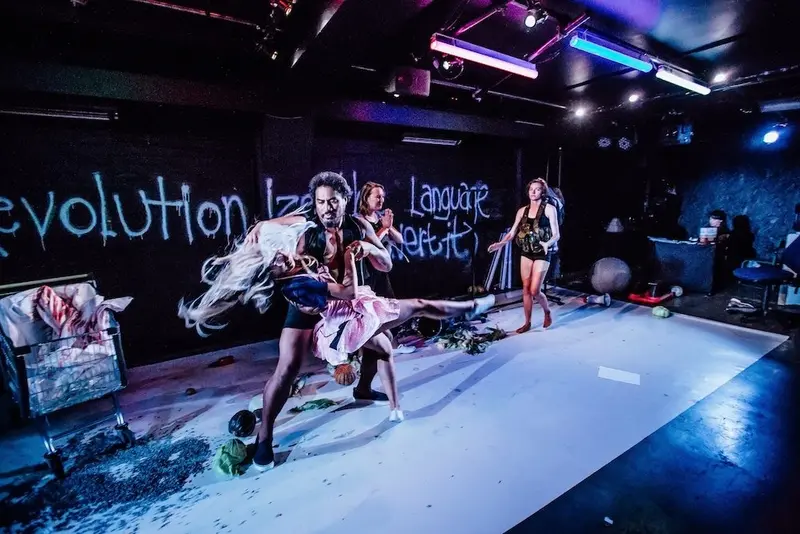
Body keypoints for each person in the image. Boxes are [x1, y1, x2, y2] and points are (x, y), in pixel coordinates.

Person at [179, 172, 396, 472]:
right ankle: (264, 437)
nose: (327, 208)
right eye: (321, 202)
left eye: (333, 201)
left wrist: (369, 248)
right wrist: (259, 228)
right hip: (313, 301)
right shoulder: (306, 222)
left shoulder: (358, 226)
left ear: (345, 199)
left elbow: (387, 263)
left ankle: (363, 389)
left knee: (379, 341)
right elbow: (270, 227)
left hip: (345, 302)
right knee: (288, 367)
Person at [280, 242, 494, 422]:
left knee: (384, 350)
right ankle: (470, 308)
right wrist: (349, 258)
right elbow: (349, 293)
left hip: (346, 321)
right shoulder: (298, 285)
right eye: (280, 259)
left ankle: (395, 409)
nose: (286, 257)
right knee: (419, 305)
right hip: (351, 321)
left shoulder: (303, 270)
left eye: (284, 254)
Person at [487, 178, 560, 334]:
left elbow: (556, 234)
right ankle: (527, 322)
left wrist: (548, 243)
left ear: (543, 192)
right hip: (526, 252)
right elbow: (512, 232)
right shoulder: (522, 211)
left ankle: (547, 311)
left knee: (535, 290)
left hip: (542, 252)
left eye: (537, 189)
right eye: (531, 189)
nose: (533, 192)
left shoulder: (549, 209)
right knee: (526, 289)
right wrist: (500, 244)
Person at [356, 181, 415, 355]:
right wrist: (384, 228)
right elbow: (370, 244)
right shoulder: (359, 220)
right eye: (377, 196)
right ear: (366, 198)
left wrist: (389, 227)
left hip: (381, 271)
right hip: (366, 273)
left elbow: (400, 239)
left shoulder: (380, 218)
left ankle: (393, 345)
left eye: (382, 197)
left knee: (389, 308)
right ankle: (364, 351)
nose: (381, 200)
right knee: (368, 312)